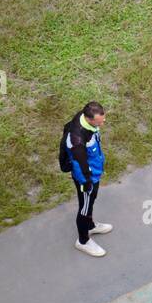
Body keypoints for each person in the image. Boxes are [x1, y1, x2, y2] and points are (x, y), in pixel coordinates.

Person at [65, 102, 112, 257]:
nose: (103, 122)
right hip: (86, 179)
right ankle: (83, 241)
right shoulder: (77, 140)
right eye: (100, 121)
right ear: (90, 119)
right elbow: (79, 166)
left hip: (94, 172)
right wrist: (87, 183)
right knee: (85, 208)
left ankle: (90, 226)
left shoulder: (84, 117)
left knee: (91, 201)